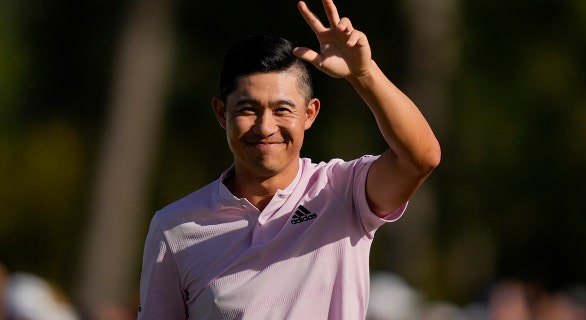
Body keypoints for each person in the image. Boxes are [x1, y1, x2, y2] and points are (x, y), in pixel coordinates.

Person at [138, 0, 440, 318]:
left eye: (282, 110)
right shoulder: (174, 228)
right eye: (247, 109)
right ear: (221, 112)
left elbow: (420, 159)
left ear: (309, 114)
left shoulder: (343, 192)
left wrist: (363, 74)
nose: (265, 127)